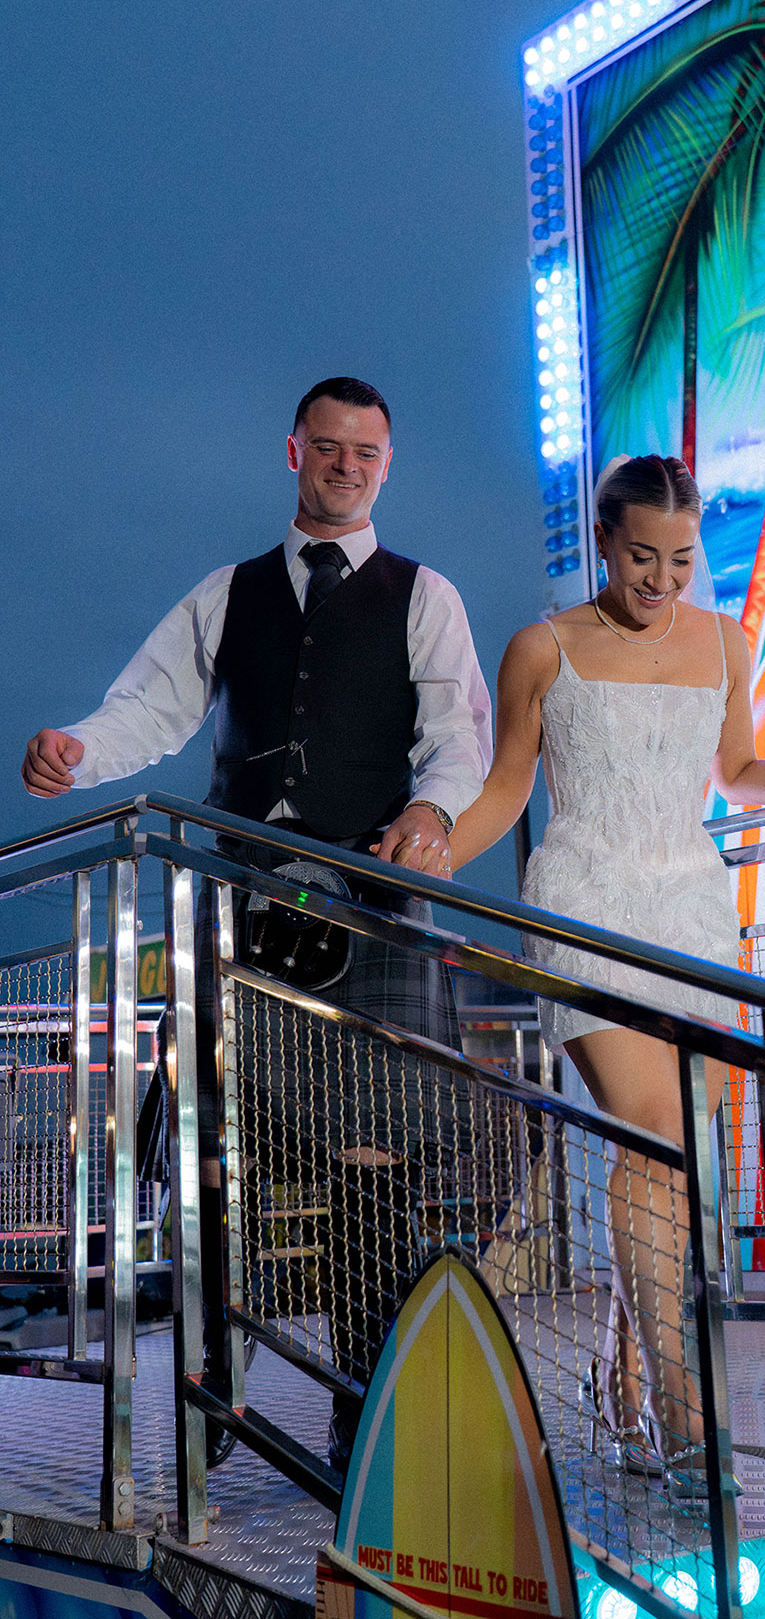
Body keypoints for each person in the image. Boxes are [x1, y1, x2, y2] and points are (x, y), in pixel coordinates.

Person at [378, 452, 765, 1503]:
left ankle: (622, 1376)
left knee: (681, 1160)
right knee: (654, 1134)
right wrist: (439, 843)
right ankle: (682, 1407)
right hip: (585, 899)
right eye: (641, 556)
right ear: (603, 540)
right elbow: (509, 788)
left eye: (680, 558)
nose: (661, 579)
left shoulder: (724, 641)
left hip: (693, 914)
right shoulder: (541, 646)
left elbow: (737, 774)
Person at [21, 375, 492, 1472]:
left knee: (374, 1159)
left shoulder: (427, 596)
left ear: (387, 462)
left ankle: (363, 1405)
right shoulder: (225, 594)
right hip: (237, 898)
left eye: (365, 452)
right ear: (294, 451)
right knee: (208, 1149)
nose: (346, 466)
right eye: (328, 447)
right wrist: (78, 753)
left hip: (369, 905)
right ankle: (213, 1383)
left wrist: (432, 811)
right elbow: (149, 706)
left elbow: (458, 735)